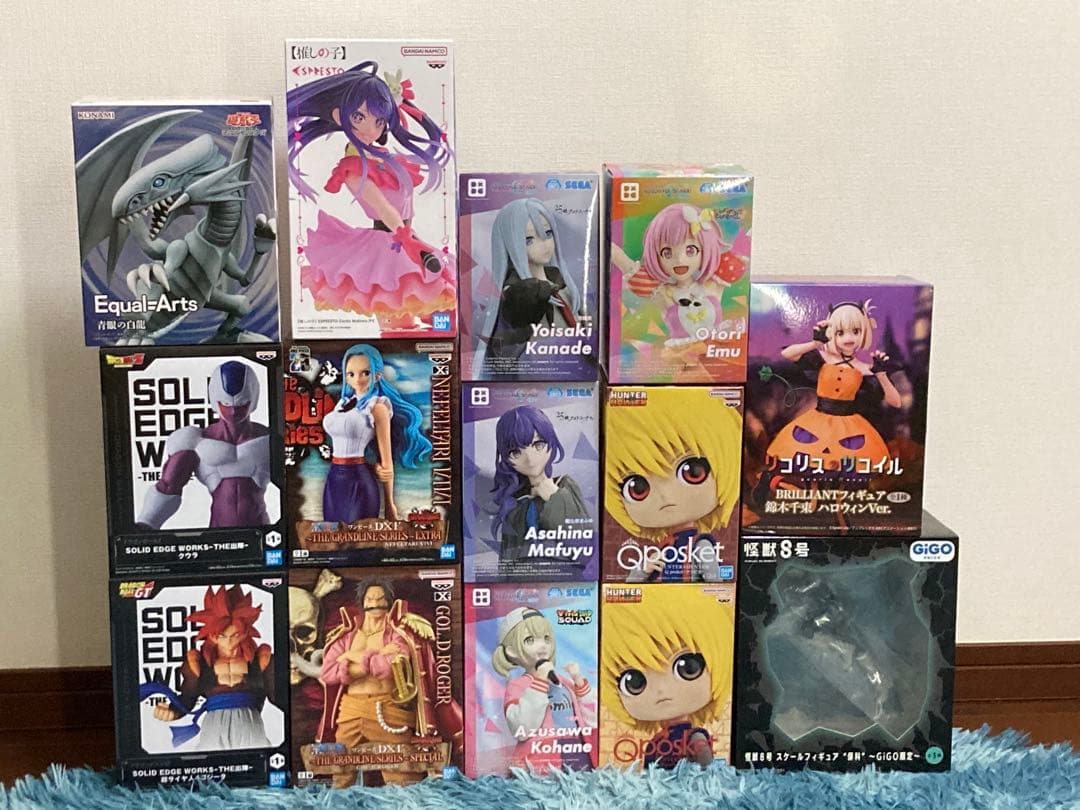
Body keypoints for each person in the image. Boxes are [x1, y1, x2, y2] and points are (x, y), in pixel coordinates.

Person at [288, 61, 454, 330]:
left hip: (405, 239)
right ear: (339, 116)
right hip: (391, 244)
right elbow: (382, 207)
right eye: (359, 117)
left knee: (432, 310)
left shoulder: (382, 158)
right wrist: (407, 240)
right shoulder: (353, 168)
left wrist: (411, 239)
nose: (370, 129)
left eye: (379, 121)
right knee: (399, 321)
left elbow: (402, 203)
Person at [318, 579, 463, 787]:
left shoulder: (400, 634)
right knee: (342, 776)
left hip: (388, 710)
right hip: (350, 711)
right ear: (363, 602)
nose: (375, 603)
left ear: (388, 602)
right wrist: (372, 656)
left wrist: (350, 657)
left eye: (380, 599)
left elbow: (387, 668)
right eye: (370, 599)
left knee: (402, 778)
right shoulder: (345, 636)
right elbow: (328, 673)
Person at [604, 388, 741, 582]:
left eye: (692, 472)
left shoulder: (701, 546)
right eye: (638, 489)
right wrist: (643, 569)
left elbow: (715, 584)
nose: (665, 495)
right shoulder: (661, 549)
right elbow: (631, 585)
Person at [763, 300, 901, 474]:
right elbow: (787, 354)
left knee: (844, 468)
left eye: (855, 331)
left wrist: (881, 375)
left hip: (849, 428)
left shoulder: (865, 368)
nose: (849, 338)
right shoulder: (822, 358)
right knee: (808, 461)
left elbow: (896, 402)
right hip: (816, 422)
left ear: (864, 332)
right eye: (841, 332)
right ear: (832, 334)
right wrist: (814, 343)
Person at [601, 586, 733, 769]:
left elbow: (704, 757)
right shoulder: (656, 741)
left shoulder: (693, 736)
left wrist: (708, 772)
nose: (661, 690)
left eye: (687, 668)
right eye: (634, 682)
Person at [137, 360, 270, 529]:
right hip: (217, 535)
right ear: (215, 400)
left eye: (242, 404)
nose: (233, 411)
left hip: (262, 533)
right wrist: (145, 525)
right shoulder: (195, 442)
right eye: (226, 404)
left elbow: (296, 486)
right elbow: (168, 487)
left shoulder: (270, 440)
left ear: (253, 399)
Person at [141, 585, 274, 751]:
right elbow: (189, 696)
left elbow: (277, 694)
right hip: (214, 722)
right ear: (213, 635)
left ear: (245, 633)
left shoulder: (259, 659)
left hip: (250, 721)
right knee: (211, 760)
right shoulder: (200, 662)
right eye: (222, 636)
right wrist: (173, 711)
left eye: (234, 635)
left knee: (257, 758)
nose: (228, 641)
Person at [321, 344, 431, 523]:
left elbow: (387, 463)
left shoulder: (377, 407)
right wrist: (372, 468)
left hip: (359, 481)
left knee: (360, 534)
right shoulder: (342, 404)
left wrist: (390, 504)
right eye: (351, 374)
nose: (358, 379)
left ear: (377, 375)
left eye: (365, 373)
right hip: (334, 479)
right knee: (332, 534)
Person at [609, 203, 745, 346]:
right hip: (682, 356)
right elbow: (624, 263)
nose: (680, 260)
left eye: (690, 250)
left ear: (706, 249)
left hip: (718, 350)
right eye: (667, 253)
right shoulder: (662, 293)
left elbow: (740, 258)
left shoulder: (714, 284)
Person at [491, 607, 596, 772]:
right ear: (511, 651)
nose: (542, 646)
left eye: (546, 638)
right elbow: (521, 729)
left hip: (577, 755)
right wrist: (540, 681)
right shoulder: (517, 686)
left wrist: (579, 681)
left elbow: (592, 718)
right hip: (541, 765)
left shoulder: (563, 681)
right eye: (530, 640)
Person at [480, 198, 582, 365]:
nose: (544, 244)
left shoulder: (563, 285)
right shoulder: (519, 296)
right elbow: (506, 352)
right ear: (511, 244)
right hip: (538, 372)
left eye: (547, 233)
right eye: (529, 239)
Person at [490, 405, 589, 565]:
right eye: (516, 452)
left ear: (551, 441)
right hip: (521, 578)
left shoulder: (564, 486)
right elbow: (507, 560)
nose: (530, 459)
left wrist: (554, 496)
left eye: (538, 445)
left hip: (562, 575)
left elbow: (584, 548)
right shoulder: (514, 503)